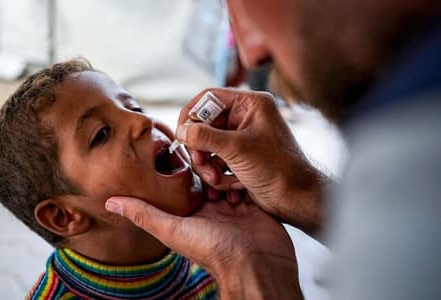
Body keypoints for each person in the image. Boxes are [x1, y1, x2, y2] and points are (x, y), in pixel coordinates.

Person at [105, 0, 441, 299]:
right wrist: (298, 191)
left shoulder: (412, 161)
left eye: (135, 107)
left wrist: (247, 269)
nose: (252, 53)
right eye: (100, 134)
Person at [0, 59, 219, 299]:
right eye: (102, 134)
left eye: (135, 108)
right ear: (63, 216)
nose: (143, 121)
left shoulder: (218, 243)